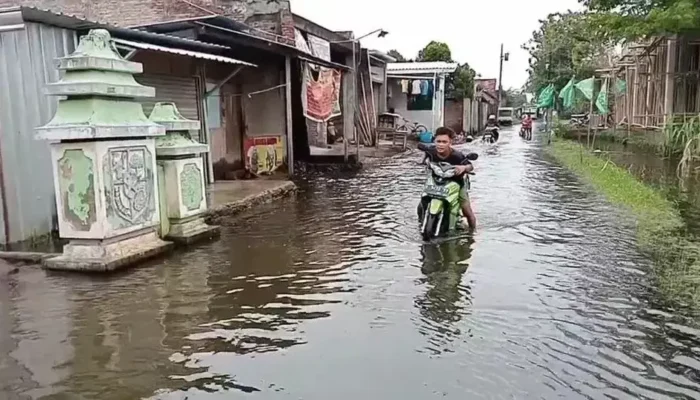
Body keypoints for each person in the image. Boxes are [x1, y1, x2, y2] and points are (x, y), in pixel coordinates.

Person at [418, 127, 477, 230]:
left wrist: (463, 167)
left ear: (450, 142)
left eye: (444, 142)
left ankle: (472, 233)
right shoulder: (431, 152)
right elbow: (425, 157)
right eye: (438, 141)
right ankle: (421, 222)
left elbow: (470, 166)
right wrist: (424, 162)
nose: (440, 144)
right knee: (421, 203)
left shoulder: (458, 156)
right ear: (434, 141)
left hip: (456, 183)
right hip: (435, 182)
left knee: (467, 210)